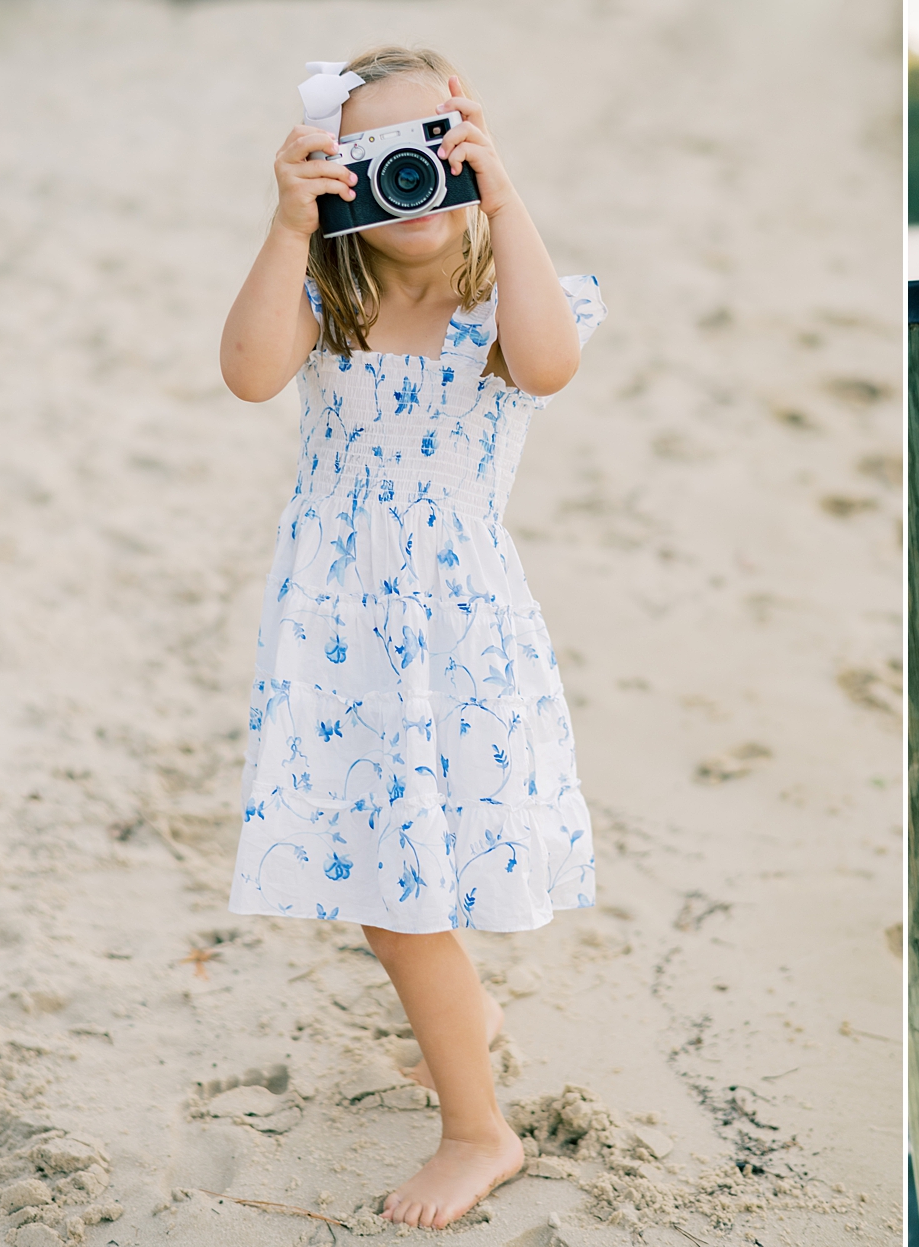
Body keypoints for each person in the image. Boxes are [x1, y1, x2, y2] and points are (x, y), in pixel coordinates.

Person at [218, 46, 606, 1229]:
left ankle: (479, 1130)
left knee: (402, 898)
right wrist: (288, 224)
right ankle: (467, 1035)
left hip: (456, 631)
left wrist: (507, 194)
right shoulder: (326, 293)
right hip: (340, 629)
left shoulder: (510, 292)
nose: (415, 187)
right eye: (380, 161)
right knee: (396, 875)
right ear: (336, 173)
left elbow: (547, 364)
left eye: (435, 151)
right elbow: (244, 376)